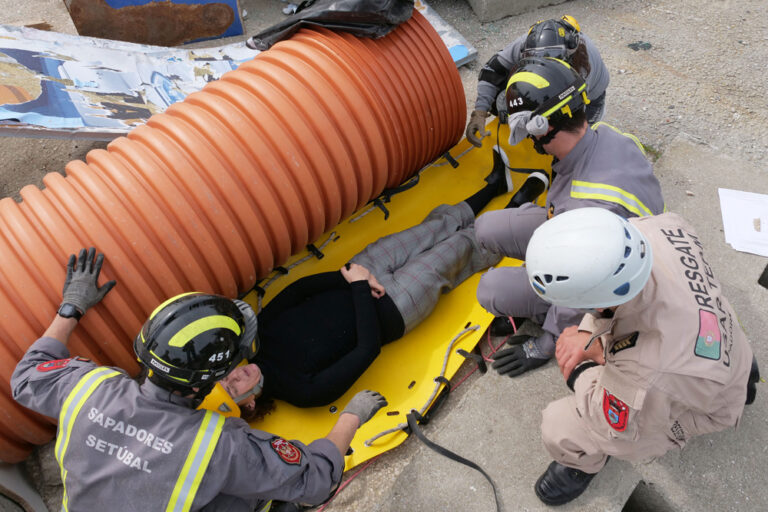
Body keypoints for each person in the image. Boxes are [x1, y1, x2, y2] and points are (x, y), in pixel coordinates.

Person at [11, 248, 387, 511]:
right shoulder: (218, 446)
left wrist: (72, 306)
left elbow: (27, 375)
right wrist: (351, 417)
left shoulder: (89, 386)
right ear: (201, 384)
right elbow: (317, 480)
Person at [219, 157, 548, 412]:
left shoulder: (259, 334)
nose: (236, 377)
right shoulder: (303, 392)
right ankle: (515, 208)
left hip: (360, 272)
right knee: (459, 248)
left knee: (432, 229)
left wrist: (349, 276)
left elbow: (296, 291)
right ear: (248, 403)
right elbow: (367, 349)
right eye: (233, 389)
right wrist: (362, 289)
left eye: (227, 376)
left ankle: (494, 185)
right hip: (395, 308)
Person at [518, 208, 759, 506]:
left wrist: (581, 367)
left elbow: (612, 419)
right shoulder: (658, 227)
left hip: (705, 395)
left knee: (561, 427)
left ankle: (583, 461)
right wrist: (590, 335)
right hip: (723, 342)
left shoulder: (651, 371)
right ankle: (743, 375)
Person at [475, 56, 665, 378]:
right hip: (586, 232)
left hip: (608, 271)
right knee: (487, 227)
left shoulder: (587, 206)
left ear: (543, 128)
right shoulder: (601, 134)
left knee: (491, 291)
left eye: (528, 133)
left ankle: (541, 307)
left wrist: (547, 343)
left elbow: (586, 283)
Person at [466, 15, 609, 147]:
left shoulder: (582, 70)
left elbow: (570, 117)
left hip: (591, 100)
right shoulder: (527, 43)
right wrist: (480, 112)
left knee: (577, 143)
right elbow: (491, 72)